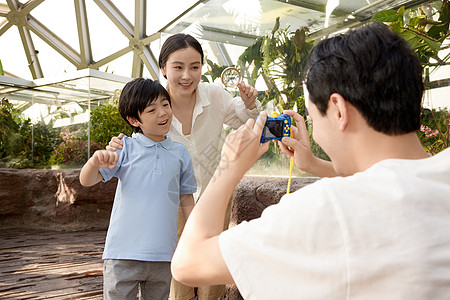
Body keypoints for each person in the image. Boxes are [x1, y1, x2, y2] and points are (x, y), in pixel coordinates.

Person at [170, 22, 450, 299]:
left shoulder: (325, 209)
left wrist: (227, 168)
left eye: (313, 116)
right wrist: (313, 165)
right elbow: (388, 180)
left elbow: (188, 263)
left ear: (338, 110)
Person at [107, 33, 260, 300]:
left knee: (212, 269)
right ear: (163, 68)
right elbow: (139, 139)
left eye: (195, 66)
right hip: (171, 202)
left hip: (215, 195)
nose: (187, 75)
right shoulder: (153, 102)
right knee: (178, 273)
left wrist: (250, 103)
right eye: (178, 67)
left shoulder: (215, 95)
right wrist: (115, 146)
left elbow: (247, 120)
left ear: (202, 66)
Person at [79, 78, 196, 300]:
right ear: (134, 119)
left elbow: (187, 198)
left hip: (163, 256)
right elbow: (87, 180)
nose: (163, 113)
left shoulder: (181, 153)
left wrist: (194, 235)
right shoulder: (125, 148)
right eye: (151, 109)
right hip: (122, 254)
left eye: (165, 104)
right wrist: (94, 162)